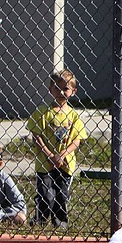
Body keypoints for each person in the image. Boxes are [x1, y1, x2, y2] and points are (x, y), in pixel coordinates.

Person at [26, 69, 88, 230]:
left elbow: (77, 139)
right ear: (50, 89)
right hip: (45, 163)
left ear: (73, 92)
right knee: (46, 194)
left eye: (66, 88)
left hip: (65, 164)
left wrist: (61, 155)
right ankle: (40, 219)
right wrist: (50, 154)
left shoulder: (74, 116)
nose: (61, 92)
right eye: (57, 88)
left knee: (61, 194)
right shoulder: (43, 112)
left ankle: (60, 222)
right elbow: (36, 135)